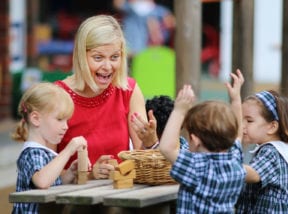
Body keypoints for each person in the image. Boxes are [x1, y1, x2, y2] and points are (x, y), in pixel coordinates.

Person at [54, 15, 151, 180]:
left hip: (119, 195)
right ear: (80, 56)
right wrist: (88, 175)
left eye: (114, 57)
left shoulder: (128, 90)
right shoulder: (57, 96)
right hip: (72, 201)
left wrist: (150, 141)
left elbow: (142, 159)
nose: (107, 67)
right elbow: (43, 172)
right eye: (98, 58)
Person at [159, 84, 246, 213]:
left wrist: (179, 111)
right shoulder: (236, 163)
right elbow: (238, 135)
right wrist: (236, 100)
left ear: (195, 140)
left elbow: (167, 148)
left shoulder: (196, 167)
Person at [227, 70, 288, 213]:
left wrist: (223, 163)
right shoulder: (279, 148)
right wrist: (235, 100)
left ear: (272, 127)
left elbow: (252, 175)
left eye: (249, 120)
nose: (242, 126)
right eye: (242, 120)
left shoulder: (272, 152)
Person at [11, 82, 88, 214]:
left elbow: (51, 183)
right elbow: (42, 181)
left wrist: (70, 173)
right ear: (36, 118)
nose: (66, 126)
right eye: (59, 119)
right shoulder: (32, 152)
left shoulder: (44, 152)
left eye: (67, 121)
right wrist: (68, 150)